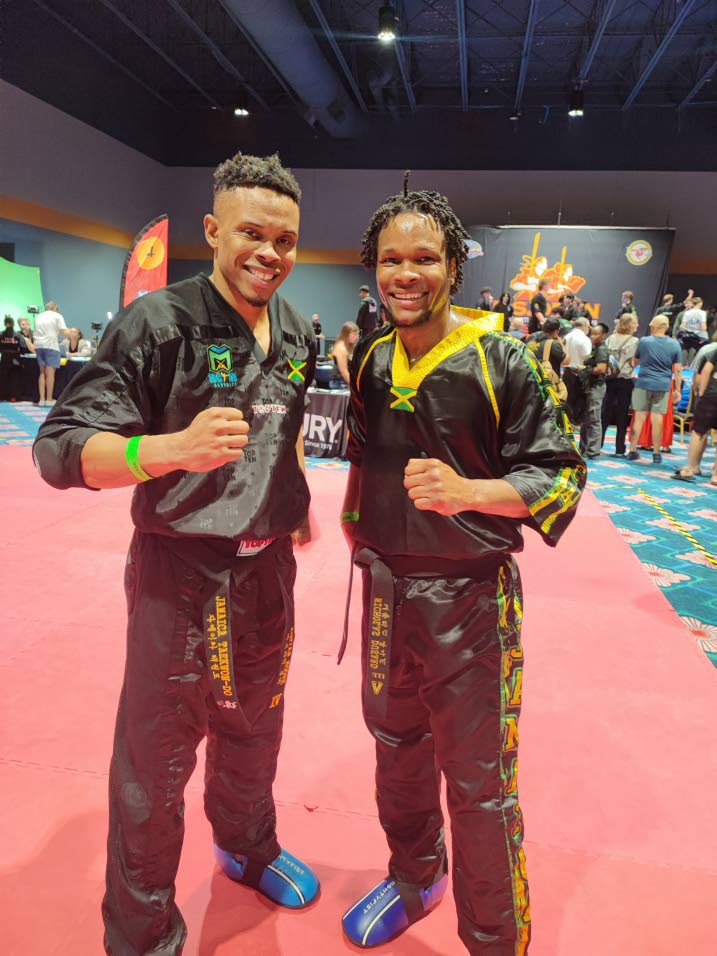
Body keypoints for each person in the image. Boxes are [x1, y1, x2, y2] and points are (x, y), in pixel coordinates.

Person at [33, 152, 320, 955]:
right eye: (252, 234)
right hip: (180, 575)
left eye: (285, 240)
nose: (269, 253)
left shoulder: (297, 326)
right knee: (155, 763)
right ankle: (143, 934)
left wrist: (291, 496)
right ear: (212, 231)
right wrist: (165, 450)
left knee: (257, 727)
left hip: (268, 571)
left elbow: (286, 422)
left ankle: (247, 846)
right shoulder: (157, 323)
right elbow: (59, 449)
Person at [339, 180, 586, 954]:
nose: (404, 274)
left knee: (479, 785)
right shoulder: (371, 357)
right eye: (390, 259)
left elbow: (562, 475)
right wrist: (351, 526)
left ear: (452, 264)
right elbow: (360, 455)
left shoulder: (503, 359)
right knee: (395, 752)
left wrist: (469, 492)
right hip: (384, 593)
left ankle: (493, 940)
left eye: (423, 258)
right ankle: (415, 875)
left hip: (471, 603)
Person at [627, 314, 682, 464]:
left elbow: (635, 362)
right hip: (663, 386)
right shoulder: (675, 344)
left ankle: (632, 450)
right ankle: (656, 453)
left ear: (653, 326)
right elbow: (678, 369)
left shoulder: (644, 341)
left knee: (639, 418)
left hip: (643, 383)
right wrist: (677, 390)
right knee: (657, 419)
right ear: (667, 327)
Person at [672, 340, 717, 483]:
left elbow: (705, 371)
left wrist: (702, 392)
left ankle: (690, 468)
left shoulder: (712, 351)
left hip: (711, 396)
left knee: (698, 432)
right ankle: (715, 476)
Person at [601, 313, 639, 456]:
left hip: (609, 379)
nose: (637, 325)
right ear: (629, 324)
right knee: (622, 415)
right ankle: (619, 448)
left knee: (605, 413)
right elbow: (635, 362)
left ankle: (598, 444)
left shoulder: (610, 338)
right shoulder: (634, 341)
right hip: (625, 380)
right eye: (635, 322)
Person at [576, 322, 610, 459]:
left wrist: (586, 370)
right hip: (589, 386)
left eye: (596, 334)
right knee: (586, 419)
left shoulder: (602, 349)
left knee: (594, 419)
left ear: (603, 335)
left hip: (596, 387)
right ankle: (584, 449)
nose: (592, 336)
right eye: (592, 333)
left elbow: (601, 368)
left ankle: (593, 451)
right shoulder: (594, 347)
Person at [33, 300, 72, 406]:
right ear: (55, 309)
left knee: (42, 372)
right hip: (50, 345)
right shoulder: (57, 316)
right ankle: (49, 400)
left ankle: (42, 400)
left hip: (38, 345)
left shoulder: (39, 316)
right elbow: (64, 333)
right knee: (50, 373)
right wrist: (69, 331)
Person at [562, 317, 592, 421]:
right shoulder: (585, 339)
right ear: (585, 326)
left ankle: (566, 422)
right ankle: (576, 422)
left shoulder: (566, 337)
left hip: (567, 372)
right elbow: (587, 356)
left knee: (567, 399)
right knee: (580, 401)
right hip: (580, 373)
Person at [331, 321, 359, 386]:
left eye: (357, 334)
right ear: (346, 334)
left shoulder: (350, 346)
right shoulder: (341, 348)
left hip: (345, 382)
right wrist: (355, 387)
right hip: (339, 383)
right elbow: (344, 372)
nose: (357, 337)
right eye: (354, 334)